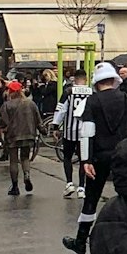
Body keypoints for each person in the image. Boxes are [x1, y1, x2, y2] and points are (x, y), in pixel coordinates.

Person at [63, 63, 127, 254]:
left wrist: (86, 160)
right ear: (115, 80)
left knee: (92, 198)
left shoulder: (92, 101)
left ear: (97, 83)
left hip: (99, 157)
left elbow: (87, 133)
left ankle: (81, 241)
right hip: (124, 155)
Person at [53, 66, 91, 198]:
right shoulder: (92, 92)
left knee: (67, 157)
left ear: (74, 79)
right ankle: (82, 187)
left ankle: (69, 183)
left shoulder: (68, 91)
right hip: (86, 132)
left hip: (70, 130)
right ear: (86, 79)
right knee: (83, 159)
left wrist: (55, 126)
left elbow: (61, 110)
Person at [0, 81, 41, 196]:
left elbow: (1, 121)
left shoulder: (7, 105)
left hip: (12, 135)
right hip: (28, 134)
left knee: (13, 160)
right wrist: (42, 130)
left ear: (10, 92)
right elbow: (37, 118)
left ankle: (15, 186)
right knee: (25, 158)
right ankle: (26, 175)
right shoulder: (31, 103)